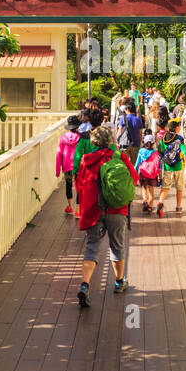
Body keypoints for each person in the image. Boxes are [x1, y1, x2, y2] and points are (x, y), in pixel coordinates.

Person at [74, 123, 135, 306]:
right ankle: (119, 281)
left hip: (94, 210)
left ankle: (84, 286)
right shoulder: (119, 157)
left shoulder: (86, 160)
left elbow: (79, 185)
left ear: (94, 141)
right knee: (117, 245)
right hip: (117, 210)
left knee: (92, 247)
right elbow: (134, 178)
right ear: (110, 140)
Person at [154, 119, 186, 216]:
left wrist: (165, 159)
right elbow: (184, 151)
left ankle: (160, 202)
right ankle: (178, 207)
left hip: (168, 167)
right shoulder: (180, 138)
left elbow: (160, 151)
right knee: (179, 188)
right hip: (178, 166)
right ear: (177, 128)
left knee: (165, 187)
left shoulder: (164, 138)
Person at [56, 115, 82, 214]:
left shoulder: (63, 138)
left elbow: (59, 153)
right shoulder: (80, 138)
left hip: (67, 166)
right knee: (79, 187)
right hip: (78, 166)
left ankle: (70, 207)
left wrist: (58, 170)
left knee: (68, 185)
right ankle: (78, 210)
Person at [134, 133, 160, 213]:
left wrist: (134, 174)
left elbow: (137, 164)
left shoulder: (141, 151)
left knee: (144, 188)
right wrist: (160, 175)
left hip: (143, 173)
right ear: (153, 143)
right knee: (151, 190)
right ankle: (150, 206)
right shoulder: (155, 153)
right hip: (152, 174)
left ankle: (145, 201)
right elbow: (159, 165)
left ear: (144, 142)